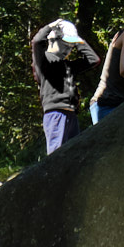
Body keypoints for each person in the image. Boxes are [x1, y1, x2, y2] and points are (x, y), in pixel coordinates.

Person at [28, 17, 101, 157]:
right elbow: (37, 42)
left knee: (73, 156)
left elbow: (93, 60)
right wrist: (51, 26)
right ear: (53, 39)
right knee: (57, 155)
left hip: (71, 115)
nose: (68, 50)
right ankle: (53, 179)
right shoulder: (44, 61)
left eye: (71, 47)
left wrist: (78, 41)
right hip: (56, 114)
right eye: (65, 44)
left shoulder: (68, 65)